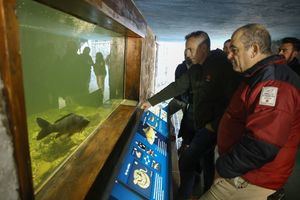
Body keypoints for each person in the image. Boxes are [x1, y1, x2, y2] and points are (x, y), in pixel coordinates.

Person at [200, 24, 300, 200]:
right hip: (241, 173)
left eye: (234, 50)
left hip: (249, 180)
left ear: (253, 49)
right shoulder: (258, 75)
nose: (229, 56)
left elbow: (262, 145)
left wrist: (223, 167)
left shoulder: (274, 84)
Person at [141, 31, 237, 199]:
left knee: (187, 160)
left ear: (204, 49)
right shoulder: (196, 69)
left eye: (191, 49)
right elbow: (178, 86)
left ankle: (183, 196)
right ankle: (206, 190)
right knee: (206, 160)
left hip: (213, 126)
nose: (187, 54)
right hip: (203, 125)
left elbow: (232, 101)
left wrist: (213, 125)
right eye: (186, 49)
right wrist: (151, 101)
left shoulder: (222, 66)